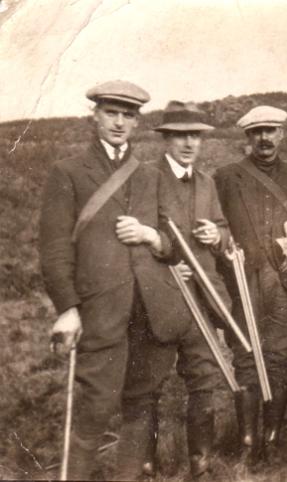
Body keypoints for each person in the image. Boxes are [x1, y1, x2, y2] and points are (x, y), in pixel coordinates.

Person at [39, 80, 173, 480]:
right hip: (99, 311)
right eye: (111, 113)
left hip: (148, 311)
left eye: (128, 115)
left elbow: (174, 242)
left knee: (141, 404)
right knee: (95, 408)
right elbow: (54, 249)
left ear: (137, 123)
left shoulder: (150, 176)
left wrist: (153, 237)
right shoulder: (68, 172)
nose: (119, 122)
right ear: (94, 116)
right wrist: (67, 308)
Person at [116, 101, 230, 480]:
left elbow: (223, 229)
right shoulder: (146, 178)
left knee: (204, 380)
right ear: (166, 139)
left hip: (202, 297)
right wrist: (167, 253)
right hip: (159, 300)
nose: (188, 143)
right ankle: (144, 466)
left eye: (194, 135)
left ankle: (201, 463)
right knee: (147, 384)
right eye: (180, 135)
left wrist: (217, 235)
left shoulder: (207, 182)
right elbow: (139, 235)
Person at [214, 105, 287, 460]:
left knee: (280, 357)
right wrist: (227, 248)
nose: (265, 138)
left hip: (286, 282)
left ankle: (273, 436)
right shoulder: (225, 177)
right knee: (245, 355)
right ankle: (248, 439)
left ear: (281, 134)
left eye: (271, 130)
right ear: (247, 137)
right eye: (257, 132)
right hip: (244, 280)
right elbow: (217, 223)